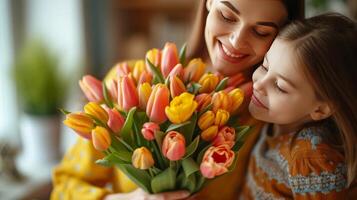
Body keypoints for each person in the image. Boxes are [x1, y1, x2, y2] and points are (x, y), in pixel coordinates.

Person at [50, 0, 304, 199]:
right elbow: (64, 188)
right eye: (227, 16)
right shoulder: (127, 82)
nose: (237, 40)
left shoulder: (266, 116)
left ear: (281, 37)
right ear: (208, 4)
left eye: (261, 31)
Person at [241, 13, 357, 199]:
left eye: (280, 86)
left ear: (320, 109)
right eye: (265, 66)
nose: (259, 84)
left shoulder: (310, 157)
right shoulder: (275, 122)